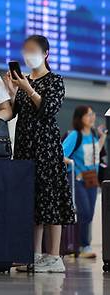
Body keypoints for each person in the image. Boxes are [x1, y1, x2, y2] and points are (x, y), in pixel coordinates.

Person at [0, 35, 75, 273]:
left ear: (46, 54)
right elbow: (17, 112)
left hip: (47, 148)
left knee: (50, 198)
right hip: (25, 146)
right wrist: (12, 92)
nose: (28, 55)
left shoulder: (55, 81)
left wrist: (27, 88)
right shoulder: (24, 81)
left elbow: (47, 109)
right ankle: (35, 253)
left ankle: (54, 256)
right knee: (32, 200)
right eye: (26, 50)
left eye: (33, 50)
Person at [62, 105, 106, 259]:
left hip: (92, 179)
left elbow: (96, 152)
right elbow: (61, 153)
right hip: (78, 179)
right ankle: (79, 246)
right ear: (80, 118)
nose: (92, 117)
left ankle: (83, 246)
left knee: (89, 214)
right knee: (84, 212)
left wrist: (103, 138)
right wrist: (72, 165)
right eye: (88, 115)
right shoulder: (75, 135)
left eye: (92, 114)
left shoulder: (93, 134)